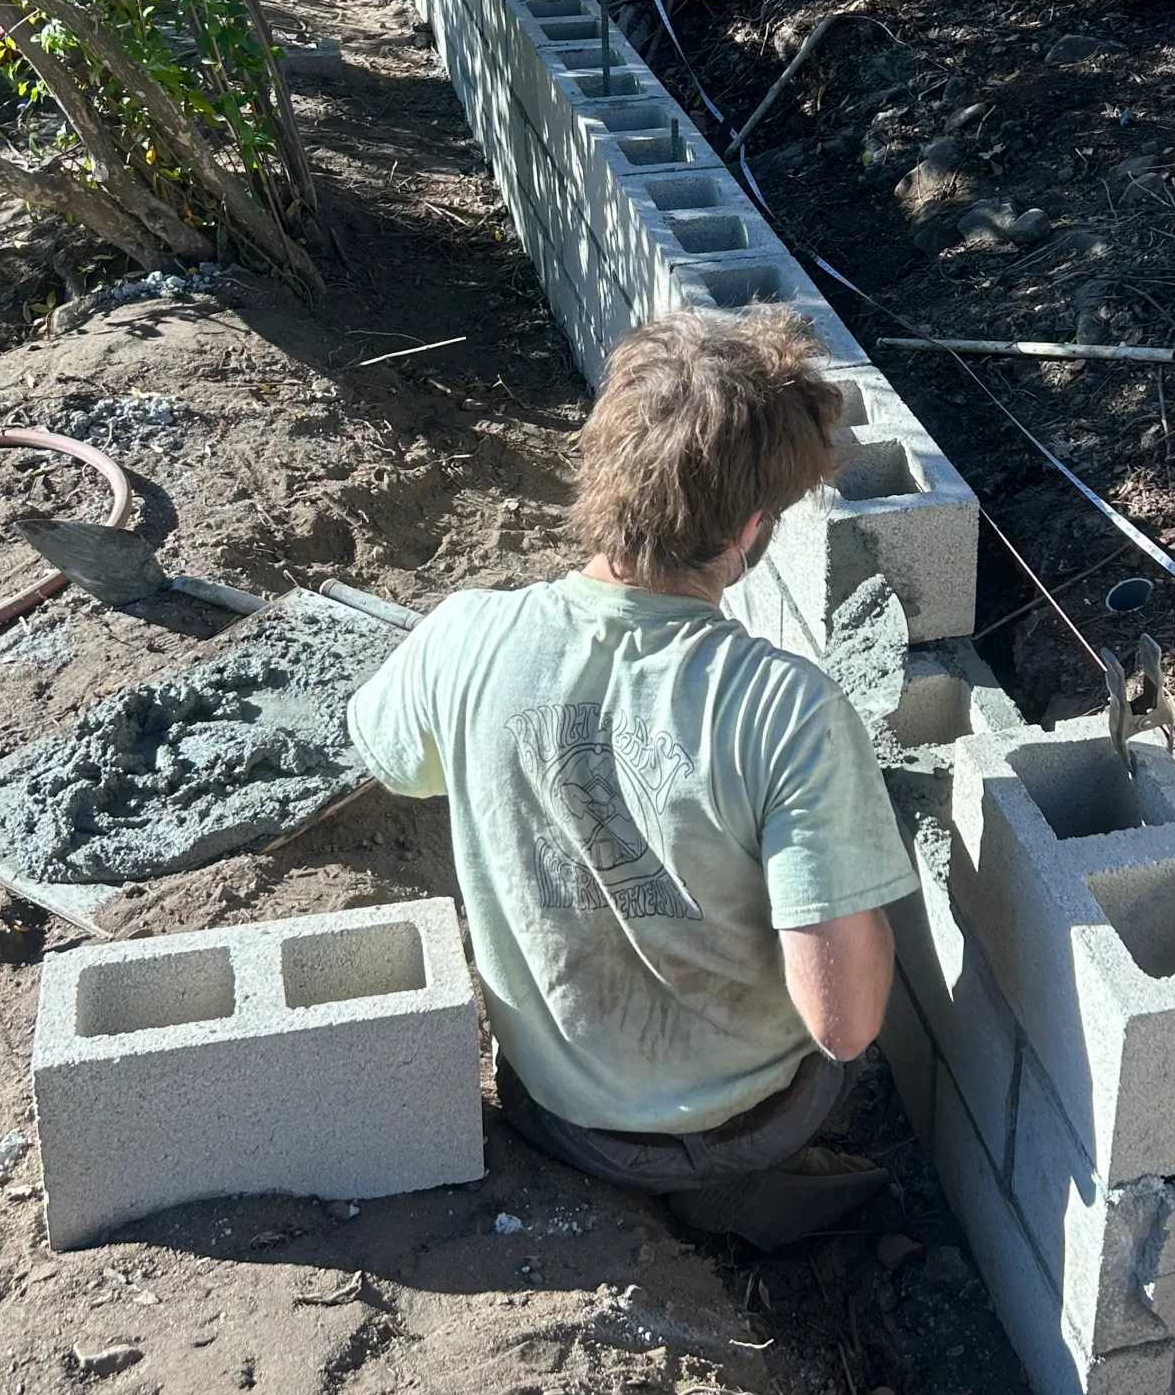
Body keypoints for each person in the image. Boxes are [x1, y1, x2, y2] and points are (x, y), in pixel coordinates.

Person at [347, 304, 919, 1249]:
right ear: (750, 529)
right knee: (860, 983)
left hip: (554, 1111)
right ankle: (742, 1194)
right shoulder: (789, 710)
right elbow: (844, 1024)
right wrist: (860, 878)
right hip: (748, 1122)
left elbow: (389, 756)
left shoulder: (464, 638)